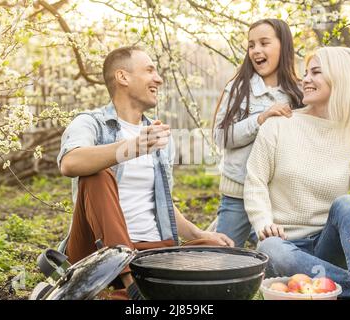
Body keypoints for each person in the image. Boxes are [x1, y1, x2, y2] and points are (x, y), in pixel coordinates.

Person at [57, 46, 233, 300]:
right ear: (123, 77)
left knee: (217, 251)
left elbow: (162, 202)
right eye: (150, 70)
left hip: (151, 254)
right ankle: (132, 286)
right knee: (96, 173)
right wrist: (132, 147)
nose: (159, 78)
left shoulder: (157, 134)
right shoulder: (91, 122)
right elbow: (70, 163)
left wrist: (199, 235)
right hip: (96, 257)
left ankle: (125, 293)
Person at [212, 18, 350, 249]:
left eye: (264, 43)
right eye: (251, 45)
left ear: (283, 46)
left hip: (278, 199)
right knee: (222, 256)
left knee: (271, 251)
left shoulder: (297, 90)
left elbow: (341, 107)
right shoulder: (238, 88)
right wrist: (260, 119)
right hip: (238, 192)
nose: (256, 50)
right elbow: (220, 137)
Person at [243, 46, 350, 300]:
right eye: (306, 73)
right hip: (285, 247)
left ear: (340, 78)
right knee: (269, 247)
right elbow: (255, 181)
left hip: (329, 244)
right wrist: (263, 222)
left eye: (315, 72)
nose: (305, 80)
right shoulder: (278, 126)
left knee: (348, 203)